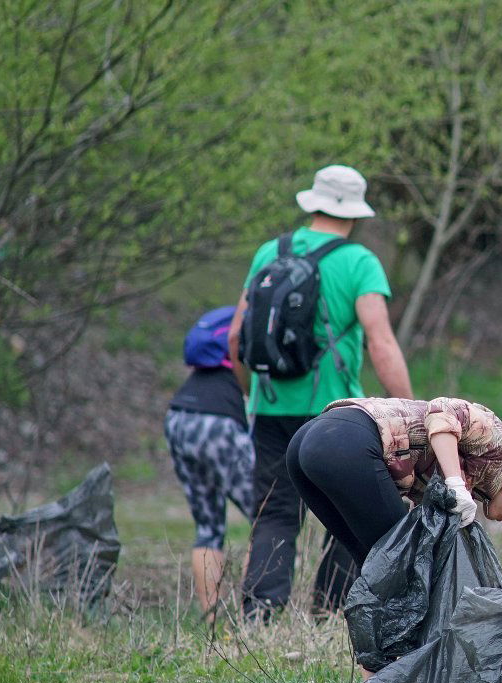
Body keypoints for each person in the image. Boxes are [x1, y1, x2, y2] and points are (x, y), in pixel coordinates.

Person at [228, 164, 413, 619]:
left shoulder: (269, 252)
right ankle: (330, 611)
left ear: (312, 201)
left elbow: (235, 338)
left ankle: (259, 615)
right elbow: (381, 343)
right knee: (350, 513)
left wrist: (252, 397)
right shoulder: (359, 263)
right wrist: (410, 410)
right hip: (334, 416)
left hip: (271, 409)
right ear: (354, 212)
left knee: (273, 513)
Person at [286, 396, 502, 639]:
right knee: (402, 567)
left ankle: (374, 681)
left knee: (375, 568)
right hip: (344, 440)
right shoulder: (498, 442)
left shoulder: (472, 482)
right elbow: (441, 411)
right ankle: (394, 676)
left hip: (308, 446)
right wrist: (454, 483)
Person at [164, 306, 255, 621]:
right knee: (267, 518)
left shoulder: (225, 326)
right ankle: (254, 615)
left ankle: (213, 619)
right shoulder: (254, 327)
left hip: (179, 416)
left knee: (208, 528)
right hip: (219, 424)